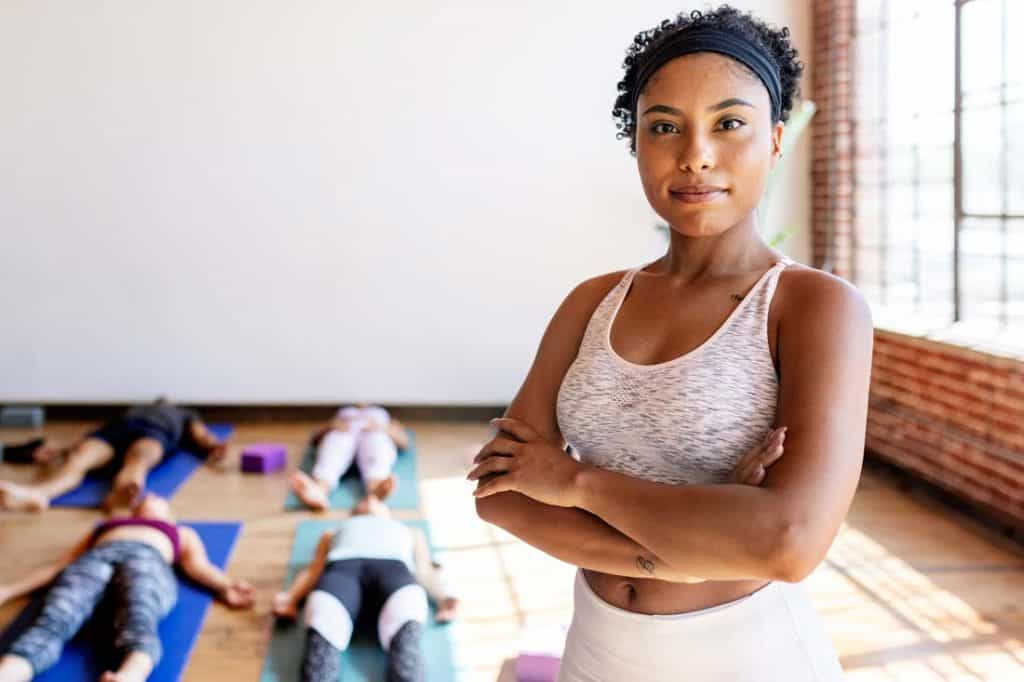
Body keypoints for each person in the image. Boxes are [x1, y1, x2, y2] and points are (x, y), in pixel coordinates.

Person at [468, 6, 873, 680]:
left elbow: (789, 541)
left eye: (729, 123)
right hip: (598, 651)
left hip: (748, 655)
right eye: (665, 128)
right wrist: (689, 544)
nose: (696, 156)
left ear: (775, 141)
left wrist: (571, 481)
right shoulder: (592, 301)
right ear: (638, 146)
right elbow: (501, 492)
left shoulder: (813, 307)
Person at [0, 494, 254, 682]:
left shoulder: (180, 532)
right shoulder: (108, 526)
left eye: (158, 500)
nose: (150, 498)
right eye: (144, 499)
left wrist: (227, 586)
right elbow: (59, 567)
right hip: (96, 560)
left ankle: (130, 675)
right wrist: (9, 590)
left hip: (147, 560)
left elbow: (198, 566)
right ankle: (10, 672)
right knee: (55, 616)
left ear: (170, 514)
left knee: (139, 615)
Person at [272, 495, 457, 682]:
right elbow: (313, 571)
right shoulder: (332, 533)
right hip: (341, 575)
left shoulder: (410, 531)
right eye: (362, 500)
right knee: (318, 664)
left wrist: (443, 598)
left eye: (377, 500)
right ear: (353, 513)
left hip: (394, 576)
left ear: (388, 511)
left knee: (407, 659)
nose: (370, 499)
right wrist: (291, 599)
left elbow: (423, 570)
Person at [0, 398, 230, 512]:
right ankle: (36, 494)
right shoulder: (137, 410)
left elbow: (202, 435)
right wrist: (60, 449)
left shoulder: (185, 414)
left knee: (137, 460)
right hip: (113, 433)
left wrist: (213, 446)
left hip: (153, 434)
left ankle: (122, 495)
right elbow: (82, 440)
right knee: (79, 457)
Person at [290, 405, 410, 511]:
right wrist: (332, 426)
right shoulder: (344, 413)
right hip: (345, 439)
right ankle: (320, 489)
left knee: (376, 441)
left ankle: (375, 489)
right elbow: (315, 439)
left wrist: (382, 428)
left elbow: (404, 441)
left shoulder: (381, 415)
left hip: (371, 441)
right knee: (336, 441)